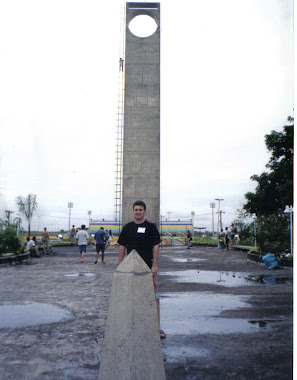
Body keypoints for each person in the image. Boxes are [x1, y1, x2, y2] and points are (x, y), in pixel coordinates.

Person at [118, 200, 166, 339]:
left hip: (146, 268)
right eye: (136, 210)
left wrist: (154, 265)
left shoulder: (151, 227)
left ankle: (156, 328)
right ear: (133, 211)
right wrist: (120, 265)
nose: (138, 212)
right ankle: (132, 326)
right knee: (130, 297)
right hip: (130, 269)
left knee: (151, 297)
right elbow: (122, 246)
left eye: (140, 210)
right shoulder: (127, 228)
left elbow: (156, 246)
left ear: (144, 211)